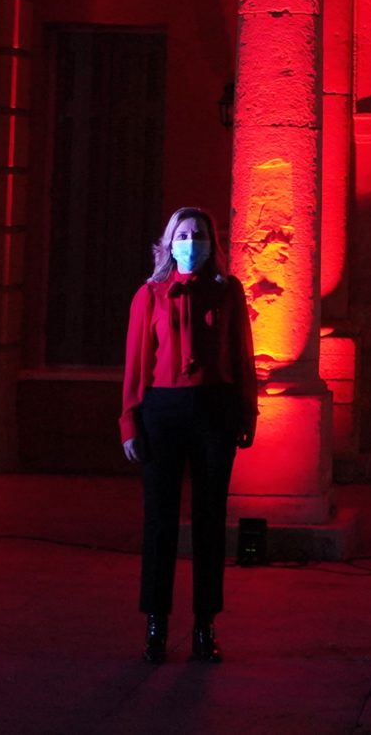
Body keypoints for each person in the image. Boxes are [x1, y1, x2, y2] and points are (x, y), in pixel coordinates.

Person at [122, 206, 259, 664]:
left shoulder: (227, 291)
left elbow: (242, 354)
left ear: (211, 242)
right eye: (182, 235)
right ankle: (156, 624)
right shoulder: (150, 294)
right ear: (168, 242)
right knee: (159, 520)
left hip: (215, 409)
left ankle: (205, 624)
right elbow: (136, 363)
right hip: (162, 411)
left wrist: (248, 410)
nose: (190, 242)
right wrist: (129, 421)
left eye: (198, 234)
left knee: (210, 519)